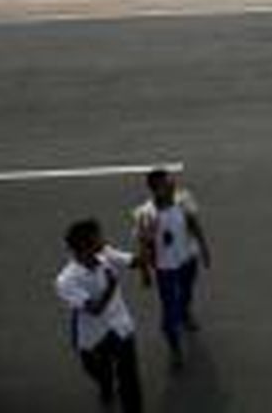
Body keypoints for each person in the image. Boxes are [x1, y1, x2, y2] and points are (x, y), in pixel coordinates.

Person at [55, 218, 144, 412]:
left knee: (129, 377)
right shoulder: (66, 280)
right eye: (98, 237)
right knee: (96, 369)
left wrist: (148, 246)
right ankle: (106, 384)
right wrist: (111, 287)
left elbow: (132, 261)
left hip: (120, 327)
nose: (103, 240)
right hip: (94, 335)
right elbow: (94, 309)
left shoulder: (105, 253)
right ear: (85, 246)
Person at [133, 169, 211, 369]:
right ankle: (174, 348)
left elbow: (194, 223)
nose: (173, 187)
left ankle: (185, 311)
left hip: (187, 258)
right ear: (155, 190)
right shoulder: (145, 214)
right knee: (168, 311)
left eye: (172, 183)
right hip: (165, 267)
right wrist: (145, 272)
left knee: (186, 291)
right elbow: (143, 243)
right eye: (167, 185)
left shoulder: (183, 200)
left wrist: (203, 248)